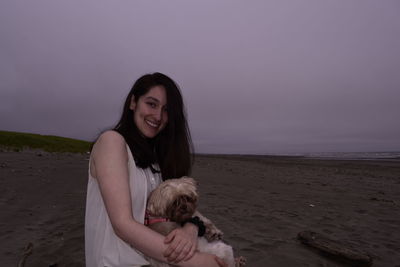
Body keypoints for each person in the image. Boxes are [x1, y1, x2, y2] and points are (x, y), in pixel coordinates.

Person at [85, 72, 226, 267]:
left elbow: (174, 211)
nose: (158, 116)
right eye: (151, 104)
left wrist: (190, 229)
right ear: (133, 102)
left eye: (166, 110)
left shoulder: (156, 162)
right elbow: (122, 225)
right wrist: (195, 261)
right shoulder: (112, 142)